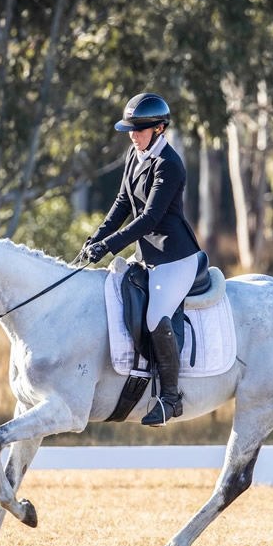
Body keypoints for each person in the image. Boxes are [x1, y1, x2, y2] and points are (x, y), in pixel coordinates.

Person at [83, 92, 201, 426]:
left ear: (159, 128)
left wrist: (109, 246)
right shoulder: (135, 155)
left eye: (139, 129)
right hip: (145, 256)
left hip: (174, 258)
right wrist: (96, 237)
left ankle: (170, 398)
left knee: (155, 317)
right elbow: (121, 204)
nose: (132, 135)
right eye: (130, 129)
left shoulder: (170, 165)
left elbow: (149, 219)